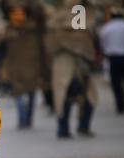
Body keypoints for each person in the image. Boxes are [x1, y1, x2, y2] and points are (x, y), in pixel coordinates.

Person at [46, 0, 98, 139]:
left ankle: (83, 126)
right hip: (64, 60)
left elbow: (80, 30)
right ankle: (64, 129)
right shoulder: (59, 13)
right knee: (63, 96)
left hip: (80, 60)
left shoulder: (80, 10)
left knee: (88, 96)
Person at [0, 0, 46, 129]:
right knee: (25, 93)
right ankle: (25, 119)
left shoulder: (28, 29)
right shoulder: (13, 31)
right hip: (21, 66)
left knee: (24, 93)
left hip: (27, 66)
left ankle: (24, 119)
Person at [100, 7, 124, 115]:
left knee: (116, 83)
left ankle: (120, 106)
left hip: (113, 58)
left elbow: (103, 45)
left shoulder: (106, 28)